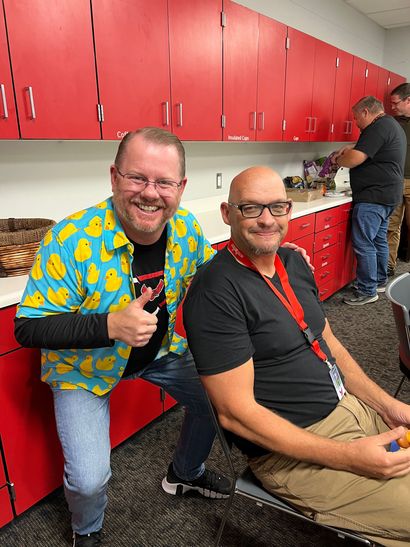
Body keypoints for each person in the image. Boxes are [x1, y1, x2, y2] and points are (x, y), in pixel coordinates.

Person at [14, 127, 232, 547]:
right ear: (114, 177)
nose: (150, 193)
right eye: (137, 178)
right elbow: (28, 326)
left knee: (221, 398)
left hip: (163, 353)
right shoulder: (69, 239)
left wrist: (261, 256)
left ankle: (184, 474)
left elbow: (210, 276)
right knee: (89, 479)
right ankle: (87, 530)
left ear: (181, 188)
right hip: (83, 369)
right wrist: (110, 325)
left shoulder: (184, 227)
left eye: (164, 182)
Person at [183, 166, 410, 547]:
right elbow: (236, 414)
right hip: (298, 451)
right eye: (251, 209)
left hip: (352, 409)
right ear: (227, 214)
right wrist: (348, 457)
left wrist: (389, 406)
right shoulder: (215, 293)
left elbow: (330, 344)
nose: (267, 220)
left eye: (277, 207)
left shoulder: (291, 263)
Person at [333, 96, 406, 306]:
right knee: (378, 240)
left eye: (356, 118)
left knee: (364, 243)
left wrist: (337, 160)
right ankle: (380, 281)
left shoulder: (377, 127)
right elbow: (368, 149)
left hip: (374, 197)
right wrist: (352, 146)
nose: (355, 123)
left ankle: (367, 290)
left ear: (366, 112)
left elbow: (355, 159)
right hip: (389, 195)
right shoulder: (389, 124)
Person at [387, 83, 410, 276]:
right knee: (391, 226)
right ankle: (389, 266)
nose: (392, 107)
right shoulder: (393, 123)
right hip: (395, 181)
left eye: (395, 103)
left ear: (408, 100)